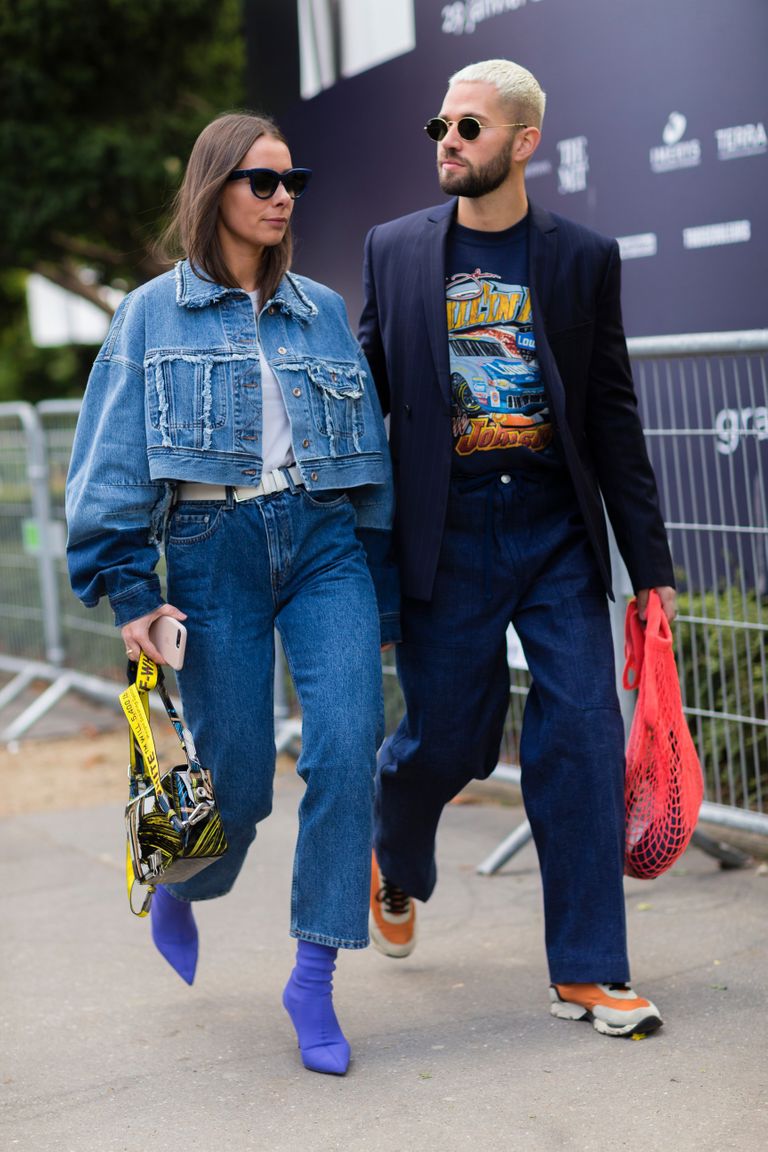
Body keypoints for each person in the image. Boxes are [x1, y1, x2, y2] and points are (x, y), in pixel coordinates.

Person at [66, 111, 399, 1076]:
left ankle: (314, 976)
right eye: (262, 180)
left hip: (325, 546)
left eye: (292, 180)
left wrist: (377, 582)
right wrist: (130, 588)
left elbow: (366, 454)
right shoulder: (149, 314)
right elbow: (111, 462)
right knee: (241, 790)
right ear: (214, 188)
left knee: (347, 750)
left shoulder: (322, 310)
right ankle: (182, 878)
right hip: (211, 549)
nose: (283, 195)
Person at [359, 59, 676, 1038]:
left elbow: (612, 416)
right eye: (440, 129)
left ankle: (589, 970)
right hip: (445, 536)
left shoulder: (583, 257)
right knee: (450, 739)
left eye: (468, 128)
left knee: (581, 737)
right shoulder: (395, 250)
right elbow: (364, 397)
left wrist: (649, 574)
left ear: (524, 142)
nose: (447, 142)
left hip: (553, 534)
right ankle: (396, 856)